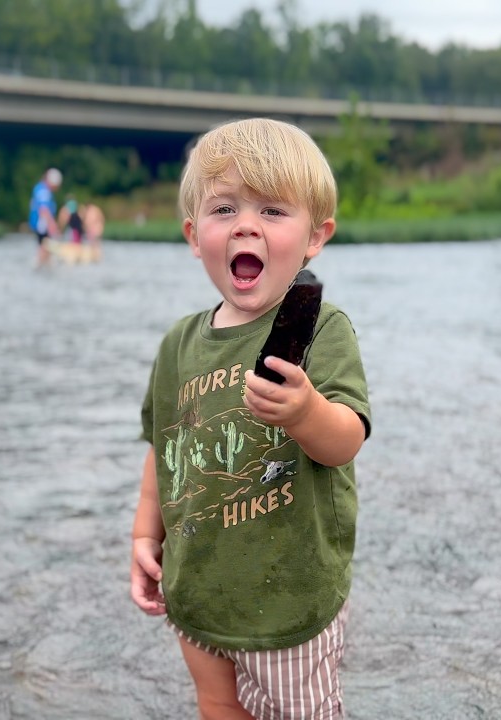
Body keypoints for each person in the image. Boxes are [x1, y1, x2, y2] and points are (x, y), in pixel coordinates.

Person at [130, 118, 371, 719]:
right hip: (200, 585)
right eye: (225, 209)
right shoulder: (178, 345)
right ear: (194, 234)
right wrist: (144, 535)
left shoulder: (321, 328)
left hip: (289, 595)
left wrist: (306, 410)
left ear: (316, 236)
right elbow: (164, 449)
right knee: (217, 706)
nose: (245, 225)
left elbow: (345, 440)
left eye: (271, 211)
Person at [29, 168, 62, 266]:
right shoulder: (44, 191)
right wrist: (53, 227)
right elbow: (44, 210)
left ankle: (42, 266)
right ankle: (41, 267)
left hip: (39, 224)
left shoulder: (39, 188)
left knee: (45, 248)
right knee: (45, 247)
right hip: (42, 225)